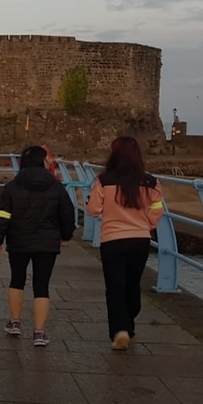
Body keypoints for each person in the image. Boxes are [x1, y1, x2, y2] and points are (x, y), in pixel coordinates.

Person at [0, 145, 76, 346]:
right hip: (47, 243)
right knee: (42, 286)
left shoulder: (12, 186)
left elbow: (3, 215)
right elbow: (66, 213)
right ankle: (39, 332)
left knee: (17, 280)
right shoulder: (56, 187)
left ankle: (14, 322)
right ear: (43, 162)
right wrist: (66, 236)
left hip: (18, 240)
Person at [86, 136, 165, 350]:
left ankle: (119, 331)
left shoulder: (103, 180)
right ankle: (129, 323)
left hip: (112, 240)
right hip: (140, 239)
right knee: (132, 283)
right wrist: (148, 223)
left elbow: (93, 210)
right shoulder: (151, 182)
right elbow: (158, 208)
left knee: (114, 287)